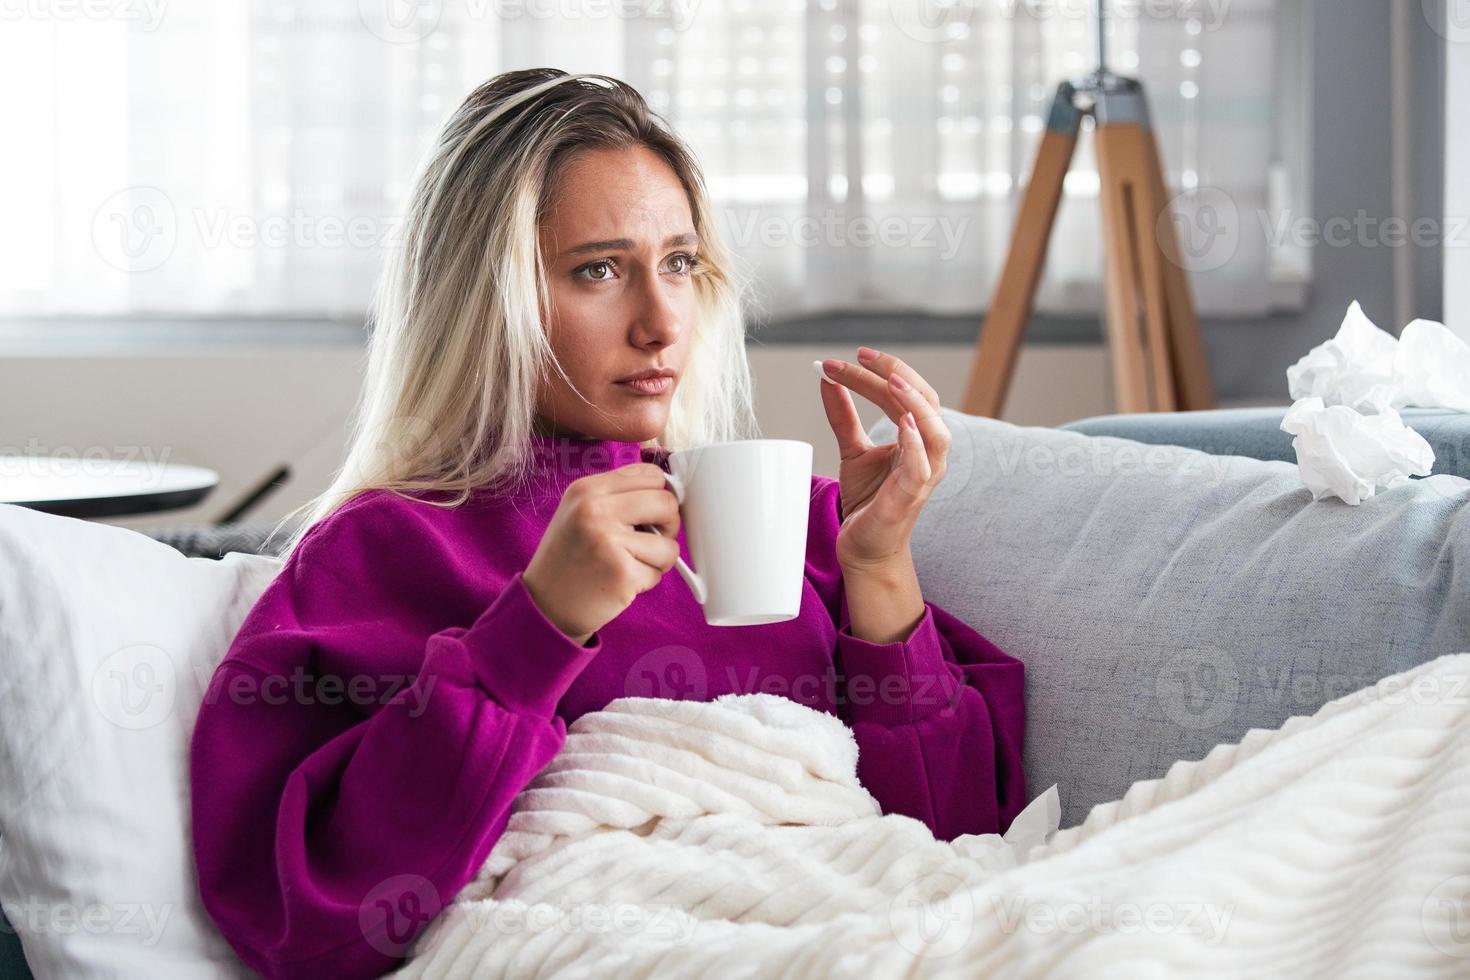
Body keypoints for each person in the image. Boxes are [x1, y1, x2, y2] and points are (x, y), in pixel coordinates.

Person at [188, 67, 1027, 980]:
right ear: (485, 297)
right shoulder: (383, 547)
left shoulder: (809, 528)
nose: (664, 322)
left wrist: (880, 571)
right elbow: (311, 924)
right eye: (599, 270)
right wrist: (537, 627)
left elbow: (962, 850)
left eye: (679, 263)